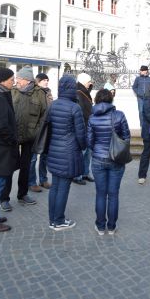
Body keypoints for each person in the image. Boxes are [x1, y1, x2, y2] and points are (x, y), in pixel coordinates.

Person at [0, 66, 47, 211]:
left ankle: (22, 194)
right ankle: (4, 198)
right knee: (8, 168)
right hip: (12, 137)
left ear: (27, 81)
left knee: (26, 167)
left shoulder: (39, 93)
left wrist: (36, 131)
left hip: (29, 137)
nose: (16, 81)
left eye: (19, 79)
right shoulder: (11, 91)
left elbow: (44, 115)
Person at [87, 89, 130, 235]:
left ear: (97, 100)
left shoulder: (92, 118)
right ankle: (111, 227)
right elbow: (126, 137)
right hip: (116, 159)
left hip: (98, 159)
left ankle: (100, 227)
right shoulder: (119, 115)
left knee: (100, 194)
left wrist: (98, 149)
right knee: (113, 194)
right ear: (111, 100)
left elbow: (89, 141)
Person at [47, 75, 86, 231]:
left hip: (54, 150)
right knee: (63, 187)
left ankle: (52, 220)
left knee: (55, 186)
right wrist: (83, 147)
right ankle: (59, 221)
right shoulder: (74, 107)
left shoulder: (52, 105)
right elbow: (81, 135)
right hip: (68, 153)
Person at [0, 68, 19, 232]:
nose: (13, 82)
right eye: (11, 79)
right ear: (3, 80)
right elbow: (2, 127)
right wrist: (13, 141)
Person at [29, 73, 53, 192]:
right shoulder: (33, 93)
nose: (46, 82)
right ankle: (31, 182)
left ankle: (43, 180)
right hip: (36, 130)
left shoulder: (48, 92)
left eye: (47, 80)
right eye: (44, 80)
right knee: (33, 158)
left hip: (47, 129)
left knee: (45, 156)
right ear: (37, 81)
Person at [73, 73, 94, 185]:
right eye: (89, 81)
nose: (91, 83)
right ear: (83, 81)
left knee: (88, 153)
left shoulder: (84, 91)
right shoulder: (79, 93)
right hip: (83, 127)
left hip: (88, 126)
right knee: (82, 152)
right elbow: (81, 112)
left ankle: (85, 173)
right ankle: (77, 175)